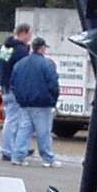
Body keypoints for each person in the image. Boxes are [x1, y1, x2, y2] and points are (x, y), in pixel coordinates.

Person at [7, 37, 60, 167]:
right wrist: (53, 100)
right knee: (44, 132)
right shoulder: (47, 64)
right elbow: (53, 84)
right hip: (42, 104)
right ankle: (47, 159)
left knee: (24, 130)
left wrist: (20, 99)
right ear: (42, 48)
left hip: (25, 104)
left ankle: (18, 156)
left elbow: (13, 84)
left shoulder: (20, 64)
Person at [0, 23, 32, 161]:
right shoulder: (21, 51)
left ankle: (15, 147)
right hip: (15, 88)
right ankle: (9, 150)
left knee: (13, 118)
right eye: (29, 34)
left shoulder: (4, 47)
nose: (30, 37)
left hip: (5, 86)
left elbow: (1, 66)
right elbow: (24, 71)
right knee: (14, 119)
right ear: (23, 33)